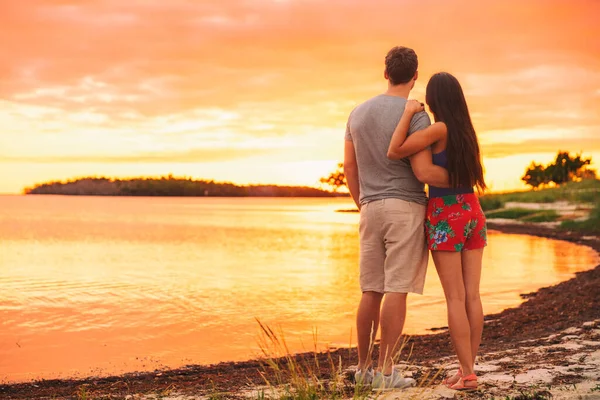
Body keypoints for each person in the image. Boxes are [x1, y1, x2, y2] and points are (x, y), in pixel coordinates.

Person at [344, 46, 450, 390]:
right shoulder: (417, 115)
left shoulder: (357, 113)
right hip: (405, 207)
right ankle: (387, 373)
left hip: (370, 207)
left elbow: (350, 167)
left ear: (385, 73)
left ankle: (363, 369)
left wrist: (363, 202)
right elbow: (422, 170)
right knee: (396, 289)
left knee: (370, 289)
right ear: (415, 76)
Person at [387, 72, 487, 391]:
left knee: (455, 298)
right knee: (472, 296)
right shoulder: (466, 131)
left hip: (446, 213)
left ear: (433, 100)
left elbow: (397, 149)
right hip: (472, 208)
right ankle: (467, 368)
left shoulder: (439, 128)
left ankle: (468, 374)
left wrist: (406, 114)